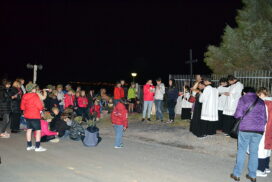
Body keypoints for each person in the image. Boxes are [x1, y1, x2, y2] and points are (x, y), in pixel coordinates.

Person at [231, 87, 266, 182]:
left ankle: (236, 174)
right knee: (254, 152)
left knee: (241, 151)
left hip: (245, 129)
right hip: (258, 130)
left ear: (244, 92)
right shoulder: (261, 101)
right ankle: (252, 175)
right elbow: (265, 118)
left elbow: (237, 115)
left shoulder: (243, 99)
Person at [21, 83, 46, 152]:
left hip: (27, 115)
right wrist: (42, 108)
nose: (36, 89)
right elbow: (40, 106)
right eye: (35, 88)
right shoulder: (35, 96)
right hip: (35, 115)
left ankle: (29, 146)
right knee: (38, 131)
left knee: (29, 129)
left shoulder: (24, 96)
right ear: (33, 89)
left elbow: (22, 107)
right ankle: (37, 147)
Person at [256, 88, 272, 177]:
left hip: (265, 128)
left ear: (261, 94)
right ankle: (266, 167)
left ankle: (261, 170)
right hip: (270, 129)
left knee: (261, 149)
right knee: (268, 149)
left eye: (258, 95)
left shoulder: (264, 103)